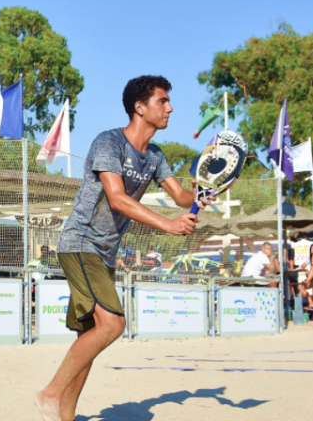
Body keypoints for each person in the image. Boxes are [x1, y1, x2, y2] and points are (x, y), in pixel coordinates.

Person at [35, 75, 213, 421]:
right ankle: (49, 393)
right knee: (113, 325)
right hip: (81, 243)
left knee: (90, 336)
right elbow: (116, 199)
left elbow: (181, 197)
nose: (170, 107)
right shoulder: (109, 143)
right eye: (163, 101)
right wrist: (170, 225)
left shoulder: (156, 156)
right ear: (140, 107)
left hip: (104, 253)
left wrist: (201, 193)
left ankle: (64, 416)